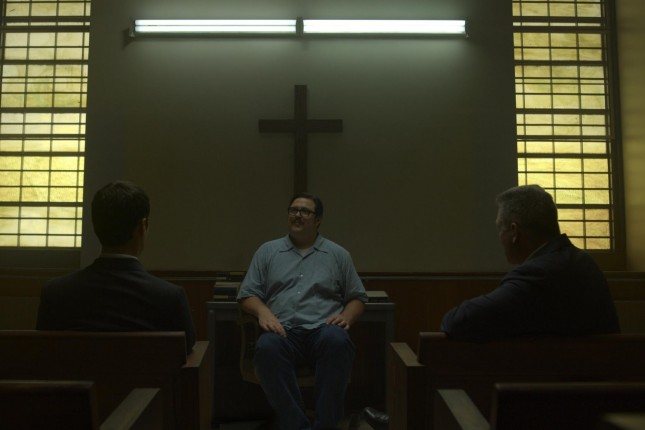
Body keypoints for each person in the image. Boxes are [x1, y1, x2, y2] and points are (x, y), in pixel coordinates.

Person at [237, 192, 368, 430]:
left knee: (337, 341)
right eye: (293, 210)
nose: (297, 215)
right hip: (283, 331)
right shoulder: (268, 251)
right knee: (266, 347)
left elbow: (357, 297)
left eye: (305, 211)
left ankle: (325, 425)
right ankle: (296, 425)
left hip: (323, 329)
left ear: (317, 220)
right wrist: (263, 312)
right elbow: (247, 294)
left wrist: (346, 317)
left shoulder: (338, 254)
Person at [441, 184, 620, 342]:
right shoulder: (583, 261)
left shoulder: (539, 274)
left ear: (514, 232)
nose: (499, 238)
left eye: (499, 229)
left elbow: (460, 321)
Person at [37, 180, 195, 353]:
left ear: (95, 225)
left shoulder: (55, 293)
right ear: (142, 227)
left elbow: (44, 352)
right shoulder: (169, 298)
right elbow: (186, 351)